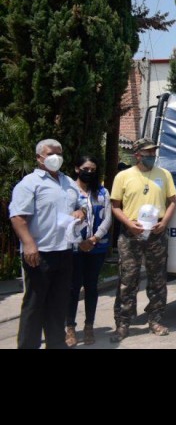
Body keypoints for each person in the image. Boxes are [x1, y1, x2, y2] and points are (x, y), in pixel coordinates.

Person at [8, 139, 85, 349]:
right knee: (34, 305)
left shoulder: (68, 182)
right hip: (39, 254)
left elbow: (81, 205)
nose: (56, 157)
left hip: (64, 251)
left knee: (58, 304)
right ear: (39, 158)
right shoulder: (29, 183)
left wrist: (81, 211)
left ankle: (56, 344)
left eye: (59, 153)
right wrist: (29, 244)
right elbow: (17, 217)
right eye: (51, 153)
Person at [109, 137, 176, 342]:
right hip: (131, 233)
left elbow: (172, 201)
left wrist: (164, 222)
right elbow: (115, 206)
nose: (152, 156)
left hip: (156, 233)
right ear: (137, 155)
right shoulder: (123, 176)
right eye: (148, 153)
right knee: (128, 279)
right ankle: (122, 324)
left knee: (157, 279)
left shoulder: (164, 174)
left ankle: (155, 320)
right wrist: (129, 224)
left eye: (153, 152)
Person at [65, 156, 112, 347]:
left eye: (93, 169)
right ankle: (70, 327)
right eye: (86, 168)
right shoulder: (68, 191)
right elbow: (64, 218)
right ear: (77, 169)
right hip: (74, 248)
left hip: (96, 247)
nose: (89, 172)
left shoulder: (102, 191)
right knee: (73, 288)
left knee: (91, 287)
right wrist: (80, 241)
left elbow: (108, 218)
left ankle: (89, 326)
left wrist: (94, 239)